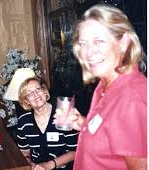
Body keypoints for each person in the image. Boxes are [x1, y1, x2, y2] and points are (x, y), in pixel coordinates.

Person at [61, 4, 147, 170]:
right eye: (83, 43)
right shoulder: (106, 85)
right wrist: (83, 124)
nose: (89, 53)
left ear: (124, 42)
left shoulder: (131, 98)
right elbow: (113, 134)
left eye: (98, 41)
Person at [17, 77, 78, 170]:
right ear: (26, 101)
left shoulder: (63, 114)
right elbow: (24, 152)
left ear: (44, 91)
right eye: (30, 93)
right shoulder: (24, 121)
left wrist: (49, 165)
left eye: (38, 89)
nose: (36, 94)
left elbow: (75, 151)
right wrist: (31, 164)